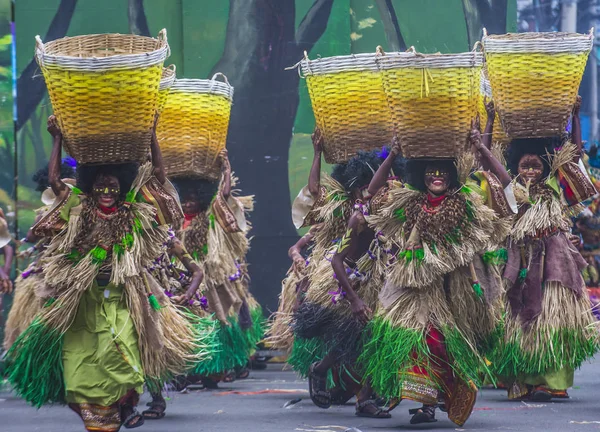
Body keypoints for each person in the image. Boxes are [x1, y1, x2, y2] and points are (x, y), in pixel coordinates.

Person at [6, 115, 213, 432]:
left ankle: (126, 405)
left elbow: (158, 175)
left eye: (112, 186)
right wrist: (57, 137)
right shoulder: (79, 207)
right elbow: (56, 182)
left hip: (122, 296)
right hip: (83, 299)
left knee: (123, 354)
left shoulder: (134, 212)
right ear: (91, 187)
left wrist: (153, 134)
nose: (106, 190)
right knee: (79, 362)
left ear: (121, 189)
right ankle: (99, 415)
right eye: (100, 186)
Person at [361, 123, 514, 426]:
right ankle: (426, 402)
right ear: (421, 175)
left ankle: (448, 390)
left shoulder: (466, 202)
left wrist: (481, 148)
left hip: (457, 287)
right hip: (417, 286)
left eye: (442, 172)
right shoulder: (411, 201)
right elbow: (373, 193)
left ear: (451, 175)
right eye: (430, 172)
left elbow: (506, 185)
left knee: (446, 342)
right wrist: (392, 155)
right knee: (425, 339)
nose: (436, 177)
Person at [492, 96, 598, 401]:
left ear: (545, 163)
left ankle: (552, 382)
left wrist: (576, 117)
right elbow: (490, 163)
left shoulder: (557, 184)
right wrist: (485, 128)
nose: (529, 169)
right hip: (524, 261)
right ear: (516, 165)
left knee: (553, 318)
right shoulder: (513, 191)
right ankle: (525, 379)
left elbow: (575, 155)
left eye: (535, 163)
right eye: (523, 164)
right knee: (524, 317)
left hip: (556, 262)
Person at [293, 146, 405, 418]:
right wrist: (354, 300)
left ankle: (364, 399)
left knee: (374, 340)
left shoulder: (397, 214)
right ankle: (321, 370)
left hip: (387, 284)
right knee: (355, 338)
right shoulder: (359, 219)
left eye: (391, 185)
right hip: (356, 284)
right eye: (377, 187)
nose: (386, 191)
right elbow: (336, 261)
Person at [3, 159, 76, 351]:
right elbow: (30, 237)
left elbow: (31, 236)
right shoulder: (72, 211)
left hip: (60, 276)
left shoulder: (51, 213)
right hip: (53, 276)